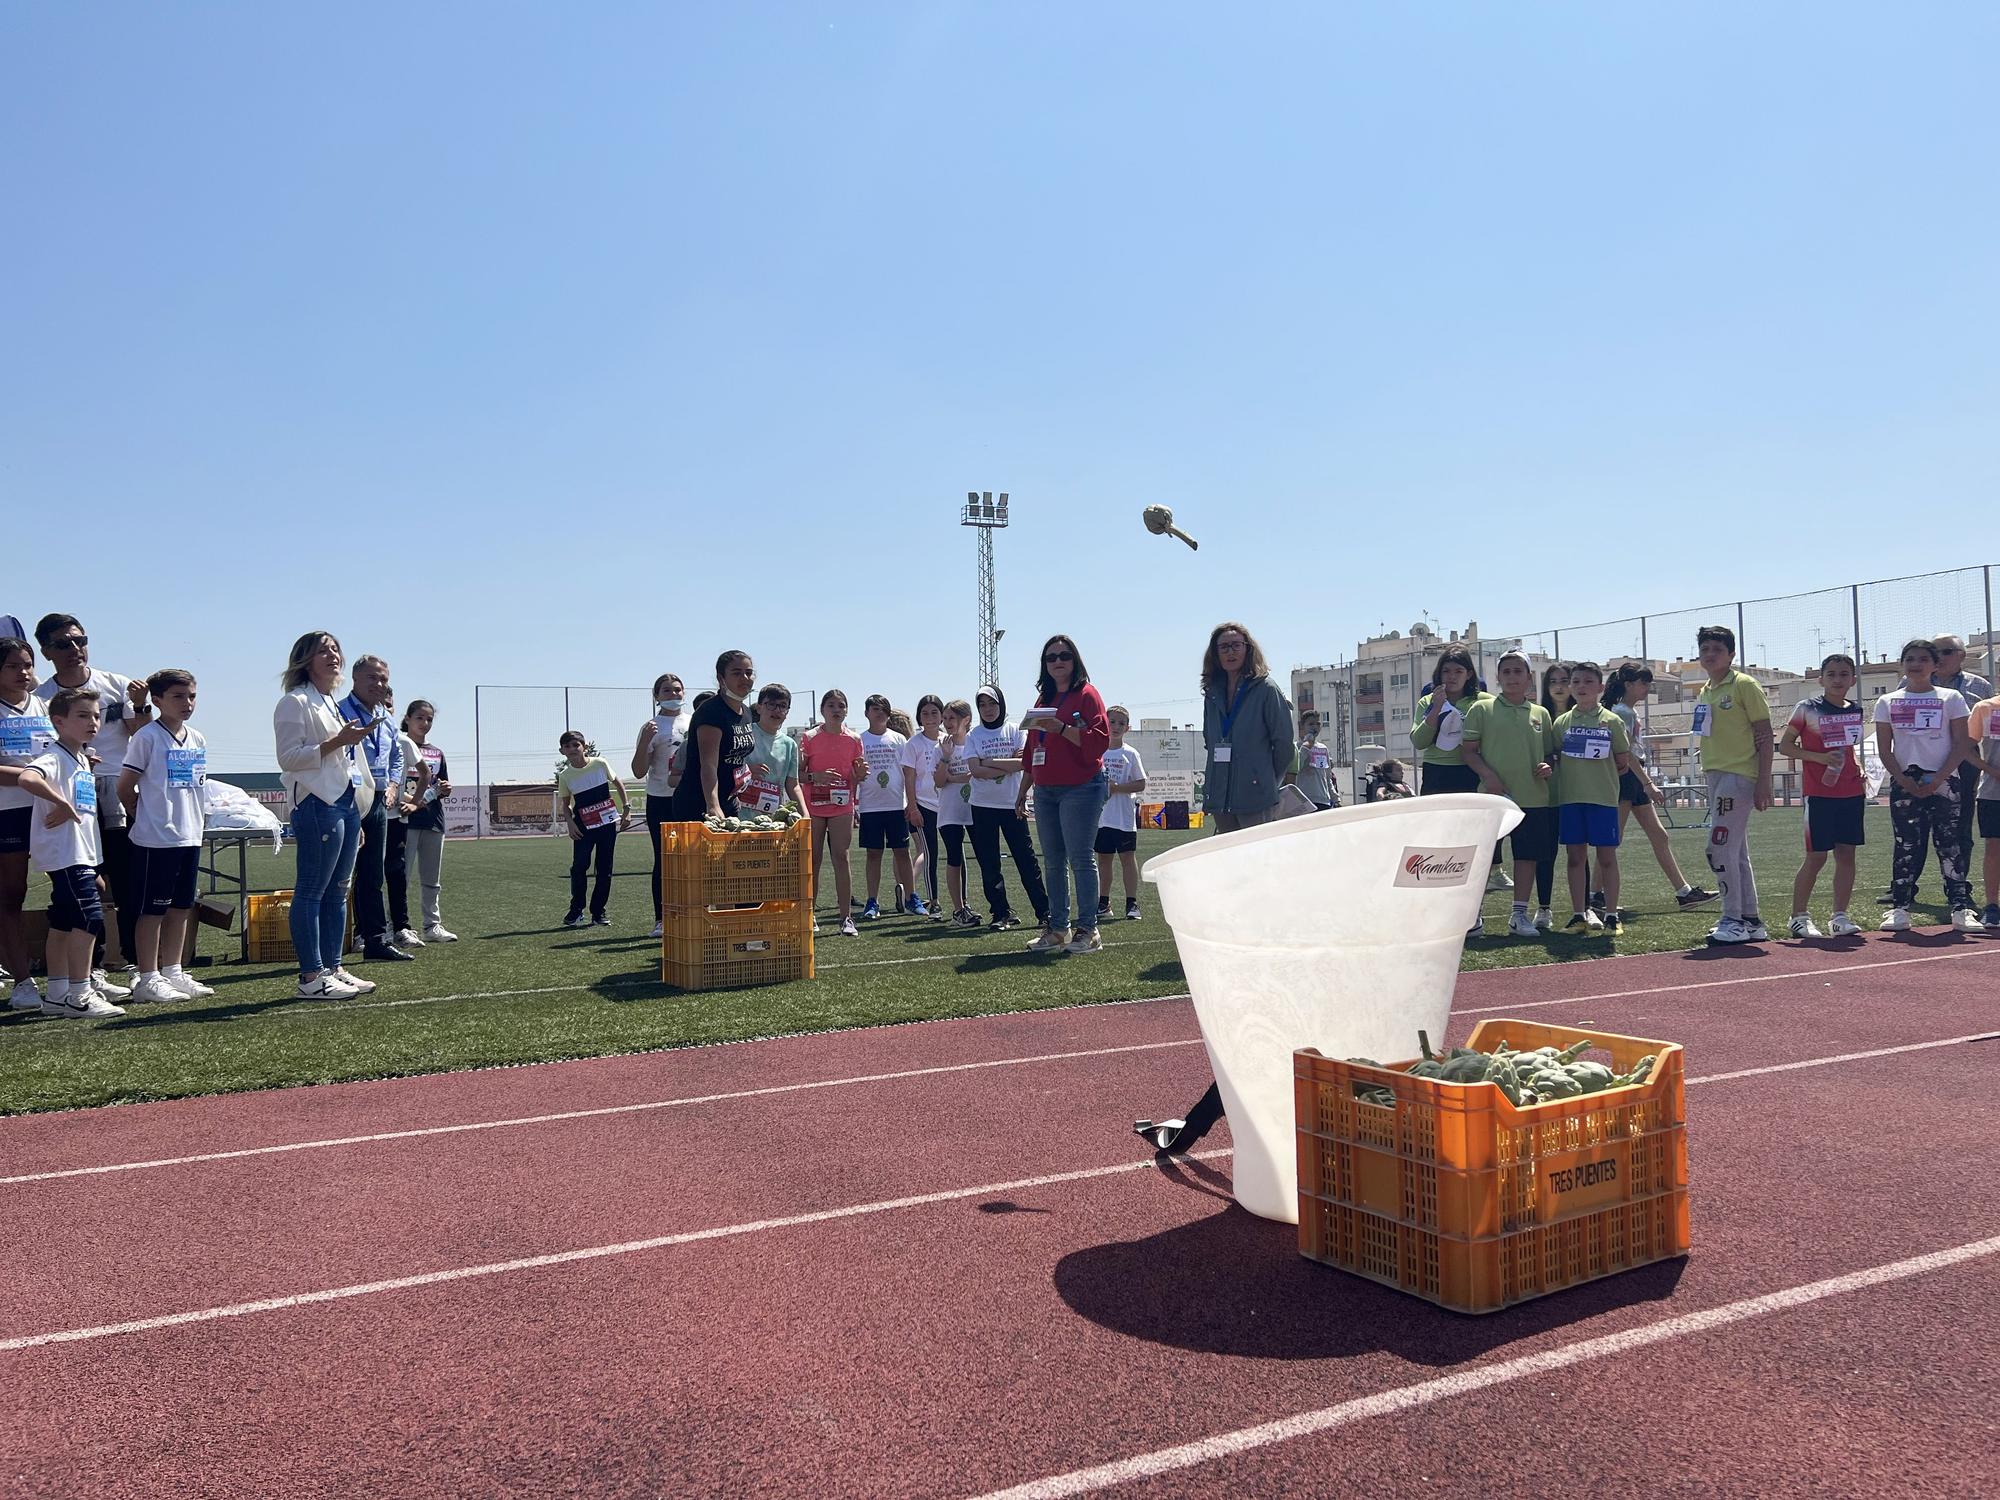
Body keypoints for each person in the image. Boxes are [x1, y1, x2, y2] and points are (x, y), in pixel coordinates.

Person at [32, 614, 144, 997]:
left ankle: (136, 966)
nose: (74, 649)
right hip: (70, 791)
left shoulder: (114, 684)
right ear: (47, 652)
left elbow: (140, 735)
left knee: (126, 878)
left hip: (115, 786)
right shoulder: (40, 699)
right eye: (63, 643)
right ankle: (87, 974)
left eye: (80, 640)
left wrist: (142, 706)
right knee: (81, 885)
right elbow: (42, 756)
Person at [274, 632, 377, 1000]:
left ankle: (333, 966)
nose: (332, 656)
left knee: (338, 890)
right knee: (312, 890)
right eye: (323, 651)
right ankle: (311, 976)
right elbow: (288, 758)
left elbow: (345, 760)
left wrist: (357, 809)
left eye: (335, 649)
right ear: (304, 660)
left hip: (345, 802)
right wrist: (338, 741)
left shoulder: (330, 702)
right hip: (318, 803)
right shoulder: (294, 702)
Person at [16, 688, 122, 1018]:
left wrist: (94, 864)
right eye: (82, 715)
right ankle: (80, 995)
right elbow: (27, 777)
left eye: (95, 715)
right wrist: (59, 801)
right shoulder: (55, 757)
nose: (92, 722)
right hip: (64, 855)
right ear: (59, 722)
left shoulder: (80, 758)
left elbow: (86, 816)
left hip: (81, 855)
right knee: (88, 918)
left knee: (63, 921)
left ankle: (57, 993)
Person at [116, 669, 215, 1004]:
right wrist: (142, 815)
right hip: (156, 838)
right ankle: (147, 976)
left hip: (190, 835)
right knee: (152, 910)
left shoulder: (197, 738)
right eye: (177, 696)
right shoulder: (147, 737)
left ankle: (174, 970)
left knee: (181, 907)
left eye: (191, 696)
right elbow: (124, 786)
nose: (187, 703)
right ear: (157, 701)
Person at [1874, 639, 1976, 933]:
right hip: (1905, 783)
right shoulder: (1887, 701)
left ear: (1935, 665)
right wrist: (1904, 778)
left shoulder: (1952, 698)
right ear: (1902, 665)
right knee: (1906, 845)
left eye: (1922, 659)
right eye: (1910, 659)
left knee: (1950, 845)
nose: (1916, 664)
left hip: (1945, 783)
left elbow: (1962, 743)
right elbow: (1885, 749)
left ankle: (1960, 907)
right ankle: (1900, 908)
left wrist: (1941, 777)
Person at [1022, 634, 1111, 954]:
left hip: (1082, 787)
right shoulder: (1043, 699)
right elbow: (1033, 749)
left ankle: (1089, 929)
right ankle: (1058, 928)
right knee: (1054, 862)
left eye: (1064, 656)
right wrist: (1024, 791)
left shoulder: (1087, 695)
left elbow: (1099, 741)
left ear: (1075, 661)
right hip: (1046, 789)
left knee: (1081, 858)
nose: (1058, 661)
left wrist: (1060, 727)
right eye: (1051, 657)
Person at [1891, 633, 1995, 907]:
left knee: (1958, 829)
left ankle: (1959, 889)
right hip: (1919, 762)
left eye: (1947, 651)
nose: (1940, 657)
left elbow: (1986, 728)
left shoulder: (1980, 686)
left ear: (1961, 656)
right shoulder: (1907, 683)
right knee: (1913, 828)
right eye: (1935, 652)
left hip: (1964, 763)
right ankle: (1904, 889)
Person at [1603, 665, 1715, 915]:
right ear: (1629, 684)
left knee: (1659, 836)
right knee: (1611, 841)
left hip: (1633, 777)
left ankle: (1683, 892)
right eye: (1643, 684)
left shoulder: (1627, 712)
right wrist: (1648, 783)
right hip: (1627, 778)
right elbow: (1627, 753)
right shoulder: (1623, 713)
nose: (1646, 689)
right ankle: (1595, 896)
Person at [1461, 651, 1557, 938]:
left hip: (1534, 799)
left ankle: (1519, 915)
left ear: (1529, 677)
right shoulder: (1482, 709)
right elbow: (1468, 751)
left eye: (1519, 671)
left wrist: (1547, 765)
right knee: (1483, 858)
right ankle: (1473, 917)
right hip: (1493, 799)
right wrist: (1489, 777)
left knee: (1526, 857)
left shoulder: (1541, 714)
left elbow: (1551, 754)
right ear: (1498, 678)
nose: (1513, 677)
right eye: (1507, 672)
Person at [1693, 624, 1773, 945]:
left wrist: (1763, 781)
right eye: (1705, 650)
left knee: (1718, 846)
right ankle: (1751, 920)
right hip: (1715, 774)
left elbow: (1765, 735)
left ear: (1731, 654)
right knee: (1735, 850)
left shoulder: (1744, 685)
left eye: (1717, 649)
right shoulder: (1705, 690)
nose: (1710, 655)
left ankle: (1732, 919)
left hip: (1739, 776)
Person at [1779, 653, 1867, 938]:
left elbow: (1848, 749)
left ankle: (1839, 916)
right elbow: (1786, 747)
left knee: (1846, 855)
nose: (1838, 679)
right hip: (1819, 793)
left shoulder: (1855, 710)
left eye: (1844, 674)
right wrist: (1819, 758)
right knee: (1816, 857)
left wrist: (1860, 767)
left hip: (1851, 792)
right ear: (1821, 679)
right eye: (1831, 674)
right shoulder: (1807, 708)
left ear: (1853, 679)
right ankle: (1799, 917)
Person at [1550, 662, 1634, 935]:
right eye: (1576, 682)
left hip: (1603, 800)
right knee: (1575, 858)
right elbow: (1556, 757)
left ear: (1599, 687)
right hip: (1571, 800)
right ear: (1570, 687)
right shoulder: (1561, 722)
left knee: (1606, 858)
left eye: (1588, 682)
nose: (1581, 687)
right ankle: (1579, 915)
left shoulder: (1612, 721)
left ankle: (1611, 916)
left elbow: (1623, 761)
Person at [339, 654, 411, 964]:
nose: (378, 684)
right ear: (354, 679)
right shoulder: (340, 711)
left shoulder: (386, 716)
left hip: (379, 802)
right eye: (372, 678)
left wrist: (395, 784)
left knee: (372, 874)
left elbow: (396, 756)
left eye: (383, 678)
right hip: (348, 799)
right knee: (339, 875)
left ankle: (374, 940)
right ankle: (331, 946)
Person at [966, 684, 1048, 933]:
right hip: (982, 806)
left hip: (1013, 804)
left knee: (1026, 859)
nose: (988, 709)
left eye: (992, 703)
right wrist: (1002, 764)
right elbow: (975, 770)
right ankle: (1001, 913)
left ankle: (1044, 911)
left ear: (1001, 705)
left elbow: (1022, 764)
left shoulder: (1015, 730)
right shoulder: (973, 735)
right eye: (982, 705)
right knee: (989, 864)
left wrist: (988, 761)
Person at [1199, 622, 1293, 832]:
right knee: (1227, 859)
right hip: (1220, 795)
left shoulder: (1267, 689)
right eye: (1224, 647)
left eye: (1236, 645)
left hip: (1255, 795)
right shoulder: (1212, 692)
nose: (1230, 652)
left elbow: (1284, 745)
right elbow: (1210, 741)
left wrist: (1264, 778)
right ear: (1215, 653)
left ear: (1247, 649)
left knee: (1256, 859)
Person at [1, 636, 51, 1012]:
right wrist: (31, 775)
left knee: (81, 884)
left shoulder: (47, 707)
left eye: (28, 664)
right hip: (9, 812)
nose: (23, 672)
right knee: (12, 895)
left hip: (52, 808)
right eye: (13, 666)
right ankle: (22, 980)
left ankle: (81, 975)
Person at [801, 691, 866, 937]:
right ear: (822, 710)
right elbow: (798, 775)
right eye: (831, 705)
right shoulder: (809, 738)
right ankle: (810, 914)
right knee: (813, 860)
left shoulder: (854, 739)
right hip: (814, 806)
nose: (836, 710)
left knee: (842, 857)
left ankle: (845, 918)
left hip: (841, 805)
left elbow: (856, 775)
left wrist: (860, 775)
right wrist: (814, 777)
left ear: (847, 711)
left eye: (841, 706)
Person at [668, 651, 757, 824]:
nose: (744, 678)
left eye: (748, 672)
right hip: (699, 804)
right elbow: (708, 765)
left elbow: (736, 759)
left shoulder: (746, 712)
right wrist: (713, 804)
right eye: (736, 673)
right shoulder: (711, 712)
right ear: (721, 678)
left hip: (728, 801)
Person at [854, 694, 920, 920]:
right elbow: (855, 773)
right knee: (874, 854)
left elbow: (908, 773)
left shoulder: (899, 739)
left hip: (896, 805)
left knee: (903, 852)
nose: (879, 712)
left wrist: (910, 803)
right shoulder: (859, 740)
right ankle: (872, 901)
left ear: (888, 713)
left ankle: (911, 897)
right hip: (870, 807)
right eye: (874, 709)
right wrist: (854, 804)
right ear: (866, 713)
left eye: (883, 709)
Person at [555, 730, 629, 928]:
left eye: (575, 745)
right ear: (562, 751)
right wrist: (570, 823)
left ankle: (598, 912)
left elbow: (618, 783)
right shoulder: (565, 776)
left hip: (606, 824)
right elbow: (565, 803)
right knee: (579, 866)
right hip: (582, 827)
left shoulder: (600, 763)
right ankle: (576, 910)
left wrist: (627, 808)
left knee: (604, 868)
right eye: (567, 746)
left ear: (584, 747)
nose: (572, 749)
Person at [633, 672, 687, 939]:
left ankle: (697, 914)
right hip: (660, 800)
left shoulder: (693, 721)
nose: (673, 695)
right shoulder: (651, 727)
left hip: (689, 799)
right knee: (664, 861)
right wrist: (644, 742)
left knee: (695, 861)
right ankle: (661, 919)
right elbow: (638, 770)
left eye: (677, 690)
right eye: (666, 690)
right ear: (656, 696)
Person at [400, 699, 456, 944]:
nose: (425, 723)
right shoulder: (398, 746)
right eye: (420, 718)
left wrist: (445, 789)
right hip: (404, 820)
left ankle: (432, 926)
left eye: (429, 719)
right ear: (408, 719)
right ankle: (398, 927)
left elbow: (441, 785)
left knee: (432, 879)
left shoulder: (437, 752)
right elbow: (393, 785)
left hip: (433, 820)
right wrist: (411, 801)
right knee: (400, 877)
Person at [1411, 646, 1491, 796]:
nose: (1452, 676)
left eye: (1458, 671)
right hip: (1435, 770)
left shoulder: (1484, 701)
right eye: (1446, 671)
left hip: (1471, 769)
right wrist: (1436, 708)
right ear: (1439, 674)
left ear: (1469, 674)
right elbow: (1419, 742)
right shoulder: (1426, 701)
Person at [383, 688, 429, 950]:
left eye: (389, 706)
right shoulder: (357, 737)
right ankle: (364, 932)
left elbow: (425, 774)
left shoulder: (402, 741)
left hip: (394, 819)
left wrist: (413, 802)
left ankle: (401, 928)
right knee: (365, 877)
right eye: (380, 705)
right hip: (365, 818)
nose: (384, 710)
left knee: (396, 874)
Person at [1095, 704, 1148, 922]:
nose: (1115, 726)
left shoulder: (1130, 754)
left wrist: (1117, 788)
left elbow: (1141, 783)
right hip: (1101, 818)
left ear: (1128, 728)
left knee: (1127, 858)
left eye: (1121, 723)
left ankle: (1131, 903)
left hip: (1124, 818)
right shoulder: (1097, 752)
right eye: (1112, 722)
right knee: (1103, 860)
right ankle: (1103, 902)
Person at [932, 698, 981, 928]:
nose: (947, 722)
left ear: (966, 720)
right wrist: (945, 758)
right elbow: (940, 782)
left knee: (985, 857)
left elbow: (978, 773)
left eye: (952, 718)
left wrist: (957, 777)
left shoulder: (975, 743)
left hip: (975, 808)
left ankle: (997, 908)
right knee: (954, 858)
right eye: (945, 718)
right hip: (950, 812)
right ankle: (958, 909)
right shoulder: (941, 747)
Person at [901, 695, 947, 917]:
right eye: (925, 713)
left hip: (948, 804)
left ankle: (962, 902)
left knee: (955, 854)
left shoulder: (948, 739)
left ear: (942, 716)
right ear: (919, 716)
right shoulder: (914, 743)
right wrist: (913, 807)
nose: (930, 718)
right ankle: (934, 900)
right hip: (924, 805)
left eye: (934, 713)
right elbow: (909, 778)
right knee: (930, 854)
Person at [1967, 686, 2000, 930]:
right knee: (1993, 848)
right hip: (1992, 793)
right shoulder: (1985, 708)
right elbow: (1965, 747)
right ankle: (1991, 906)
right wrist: (1990, 770)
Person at [744, 684, 804, 817]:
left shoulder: (790, 745)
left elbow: (793, 785)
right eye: (771, 704)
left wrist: (805, 816)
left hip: (773, 820)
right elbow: (724, 771)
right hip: (741, 817)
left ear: (787, 712)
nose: (777, 710)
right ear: (759, 708)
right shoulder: (744, 734)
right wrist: (746, 771)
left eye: (782, 706)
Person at [1284, 712, 1339, 811]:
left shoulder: (1323, 748)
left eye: (1317, 724)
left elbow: (1327, 777)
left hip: (1323, 800)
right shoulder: (1296, 747)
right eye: (1311, 724)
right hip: (1305, 800)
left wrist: (1335, 798)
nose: (1315, 727)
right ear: (1302, 726)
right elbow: (1295, 769)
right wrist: (1306, 747)